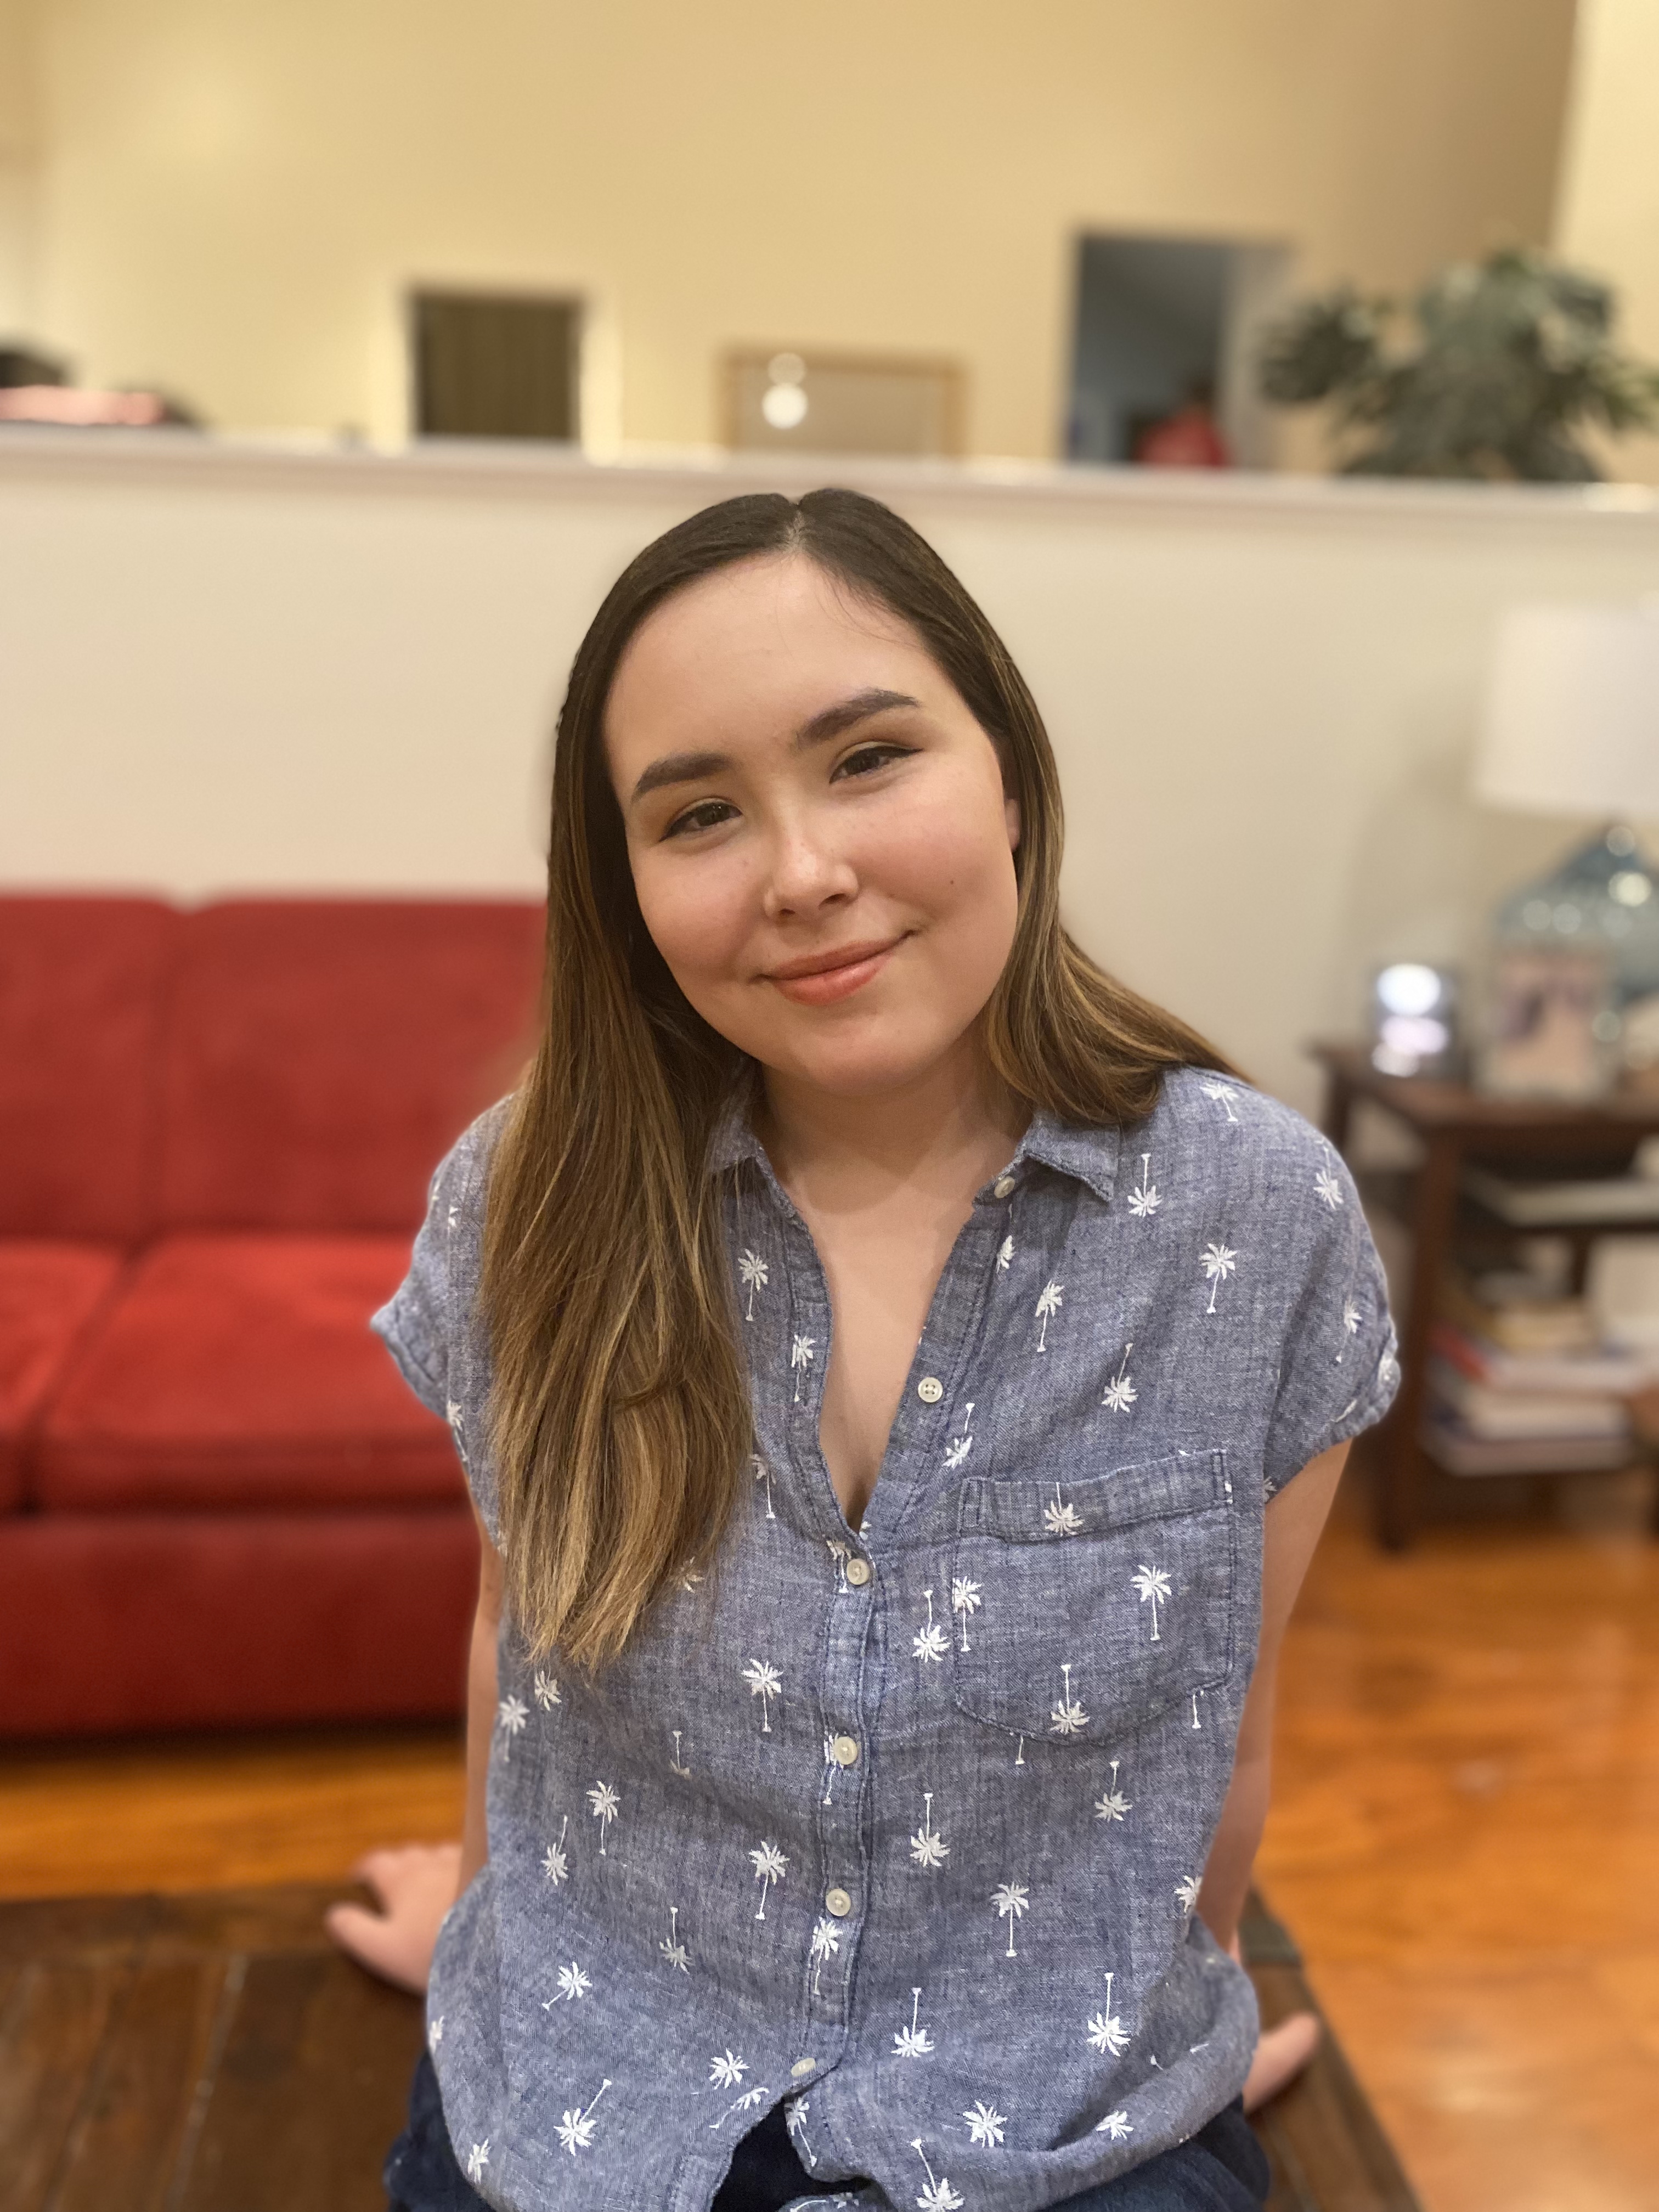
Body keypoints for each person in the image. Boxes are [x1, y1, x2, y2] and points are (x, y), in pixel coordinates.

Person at [365, 487, 1398, 2212]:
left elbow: (1231, 1721)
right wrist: (487, 1935)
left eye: (866, 759)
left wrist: (1183, 2038)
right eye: (699, 813)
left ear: (1008, 769)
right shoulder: (527, 1204)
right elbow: (515, 1643)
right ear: (622, 886)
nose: (804, 873)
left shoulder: (1254, 1221)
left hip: (1053, 2134)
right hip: (586, 2102)